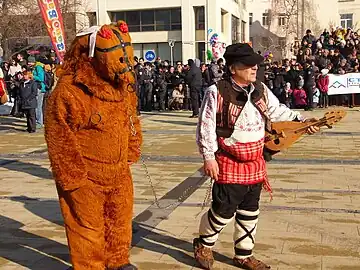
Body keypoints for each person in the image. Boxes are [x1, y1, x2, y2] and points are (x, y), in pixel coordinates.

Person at [194, 43, 319, 270]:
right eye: (248, 64)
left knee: (250, 211)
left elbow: (277, 110)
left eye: (255, 64)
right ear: (233, 68)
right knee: (223, 211)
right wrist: (208, 157)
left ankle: (243, 255)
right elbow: (205, 126)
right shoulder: (217, 91)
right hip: (228, 160)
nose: (254, 68)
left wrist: (302, 122)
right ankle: (204, 244)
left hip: (256, 162)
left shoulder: (260, 89)